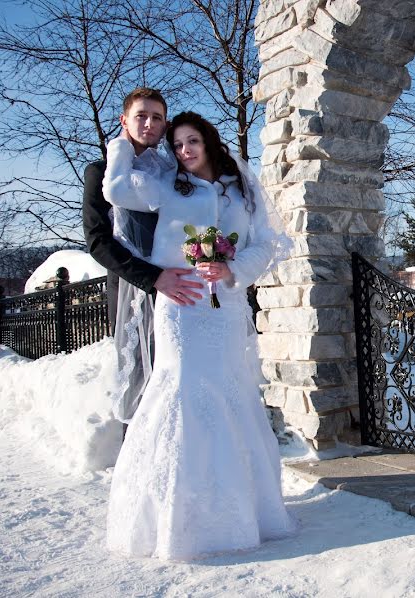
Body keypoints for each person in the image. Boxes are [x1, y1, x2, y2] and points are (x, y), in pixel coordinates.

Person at [102, 111, 297, 560]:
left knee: (230, 392)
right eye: (176, 145)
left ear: (208, 142)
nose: (184, 151)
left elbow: (267, 244)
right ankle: (176, 519)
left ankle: (244, 512)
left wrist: (233, 268)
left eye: (191, 142)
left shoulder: (242, 191)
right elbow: (116, 190)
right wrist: (122, 141)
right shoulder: (168, 185)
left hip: (226, 306)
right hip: (181, 307)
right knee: (182, 391)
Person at [83, 88, 204, 428]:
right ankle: (136, 468)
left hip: (180, 285)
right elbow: (97, 241)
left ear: (165, 125)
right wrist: (152, 278)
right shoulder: (101, 171)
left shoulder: (172, 172)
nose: (149, 123)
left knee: (178, 375)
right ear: (125, 120)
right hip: (131, 285)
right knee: (139, 377)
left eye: (157, 118)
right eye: (141, 116)